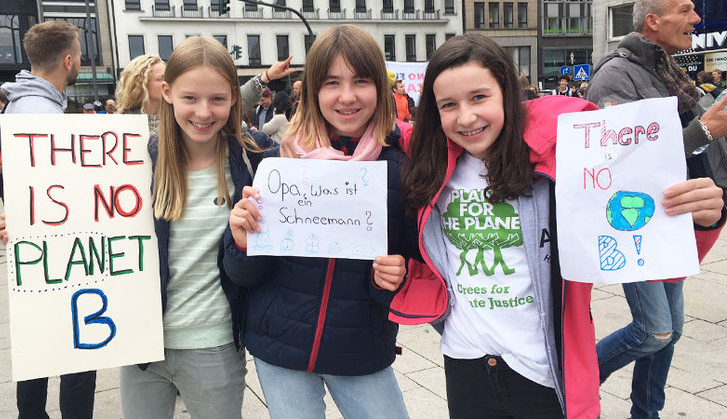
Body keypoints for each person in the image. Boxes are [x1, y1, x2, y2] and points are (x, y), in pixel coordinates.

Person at [396, 33, 600, 419]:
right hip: (465, 362)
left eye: (479, 97)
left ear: (506, 92)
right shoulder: (431, 163)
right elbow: (365, 131)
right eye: (448, 105)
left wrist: (701, 218)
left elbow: (640, 232)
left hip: (543, 371)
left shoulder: (559, 160)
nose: (466, 117)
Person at [224, 24, 417, 418]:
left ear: (380, 88)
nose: (347, 96)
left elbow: (418, 263)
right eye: (332, 83)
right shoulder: (277, 162)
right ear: (312, 92)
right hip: (279, 347)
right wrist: (242, 242)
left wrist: (396, 277)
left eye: (360, 81)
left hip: (360, 349)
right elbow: (243, 273)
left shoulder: (402, 168)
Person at [118, 36, 272, 419]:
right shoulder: (134, 161)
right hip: (140, 344)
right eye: (190, 98)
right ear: (167, 93)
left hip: (214, 346)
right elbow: (86, 219)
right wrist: (29, 228)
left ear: (235, 97)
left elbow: (263, 265)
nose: (204, 112)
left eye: (217, 99)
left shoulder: (257, 160)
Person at [586, 0, 727, 417]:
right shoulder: (614, 74)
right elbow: (620, 160)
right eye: (685, 10)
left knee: (673, 332)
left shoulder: (666, 69)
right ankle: (574, 378)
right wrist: (705, 130)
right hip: (640, 223)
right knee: (654, 331)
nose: (696, 19)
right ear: (653, 20)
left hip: (677, 223)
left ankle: (646, 413)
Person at [0, 20, 98, 419]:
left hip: (37, 249)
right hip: (59, 251)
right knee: (77, 352)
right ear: (69, 60)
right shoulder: (46, 116)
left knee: (38, 347)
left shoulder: (20, 103)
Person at [117, 54, 293, 137]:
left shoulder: (182, 112)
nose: (169, 84)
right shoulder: (118, 126)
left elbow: (233, 104)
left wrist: (266, 77)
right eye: (161, 79)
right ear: (140, 85)